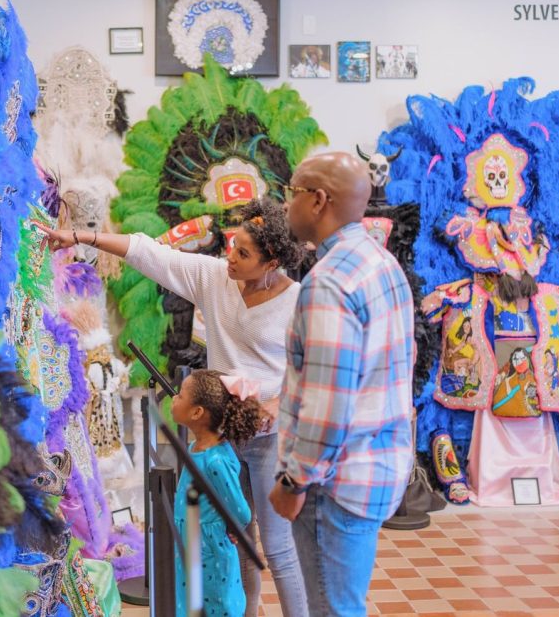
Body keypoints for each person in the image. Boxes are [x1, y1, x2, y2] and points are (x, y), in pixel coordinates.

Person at [44, 198, 310, 617]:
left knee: (277, 547)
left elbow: (313, 370)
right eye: (231, 245)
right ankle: (248, 611)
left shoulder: (299, 301)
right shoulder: (214, 277)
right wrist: (80, 236)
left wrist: (277, 403)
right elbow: (147, 251)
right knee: (235, 535)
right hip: (215, 435)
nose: (230, 258)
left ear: (272, 261)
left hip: (268, 440)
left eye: (243, 253)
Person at [269, 151, 415, 617]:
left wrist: (294, 482)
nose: (284, 205)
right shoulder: (378, 261)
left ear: (318, 200)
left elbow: (328, 408)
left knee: (331, 608)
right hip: (374, 468)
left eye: (290, 193)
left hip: (331, 485)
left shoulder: (329, 282)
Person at [170, 370, 264, 616]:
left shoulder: (215, 462)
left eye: (180, 396)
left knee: (216, 606)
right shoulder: (197, 448)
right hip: (192, 546)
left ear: (197, 412)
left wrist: (229, 527)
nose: (173, 399)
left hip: (208, 552)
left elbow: (242, 511)